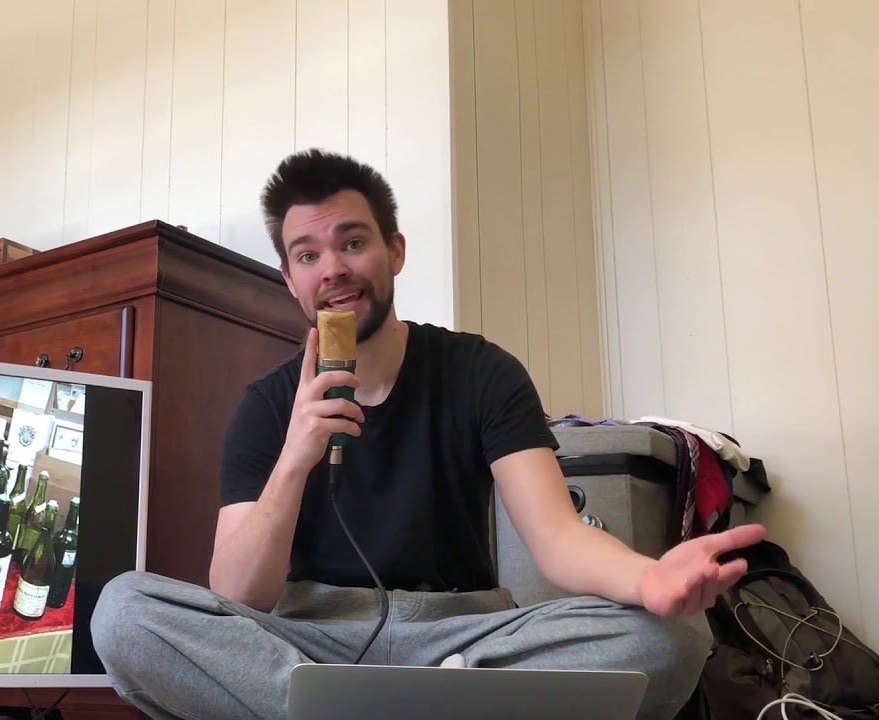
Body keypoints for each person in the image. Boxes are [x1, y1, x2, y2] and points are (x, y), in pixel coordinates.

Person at [89, 148, 766, 720]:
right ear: (290, 280)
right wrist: (295, 457)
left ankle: (345, 712)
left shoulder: (482, 371)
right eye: (308, 255)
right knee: (122, 612)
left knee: (673, 637)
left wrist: (651, 579)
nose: (333, 269)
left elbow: (558, 539)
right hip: (309, 647)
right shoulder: (265, 405)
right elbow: (239, 595)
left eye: (353, 243)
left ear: (394, 251)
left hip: (466, 640)